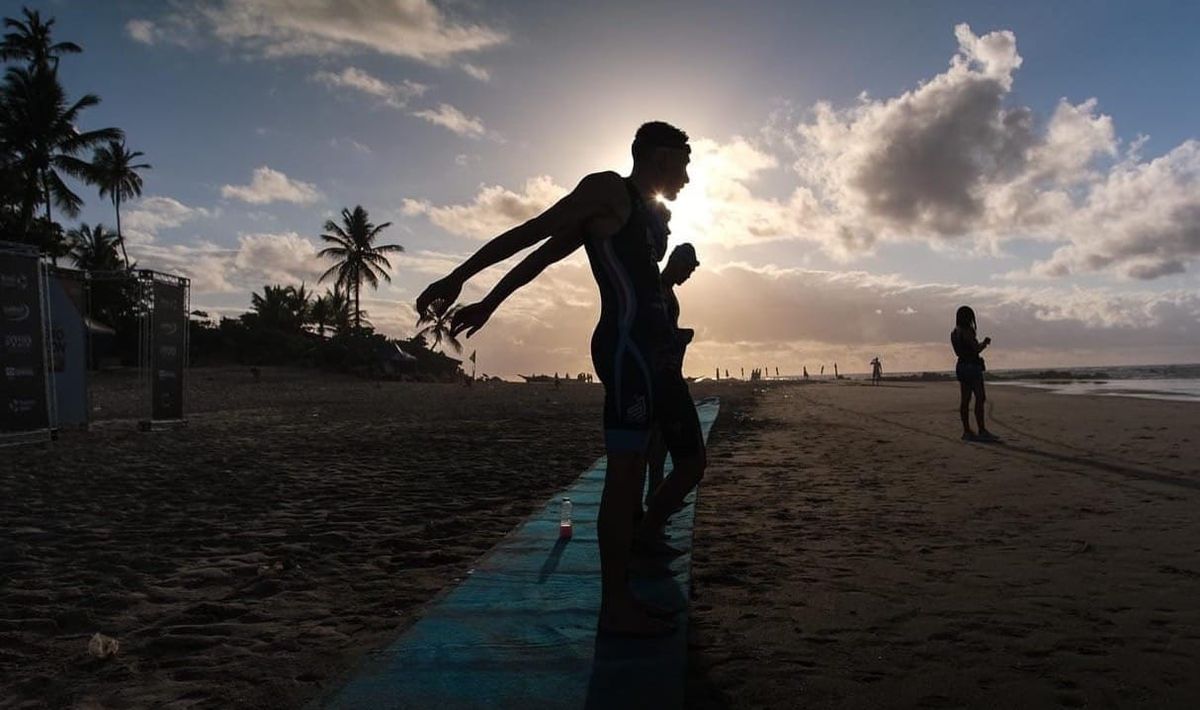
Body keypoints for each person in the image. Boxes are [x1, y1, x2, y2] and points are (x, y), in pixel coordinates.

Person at [415, 121, 704, 637]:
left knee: (654, 465)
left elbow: (542, 257)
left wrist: (489, 299)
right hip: (623, 350)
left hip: (650, 353)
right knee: (623, 475)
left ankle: (627, 581)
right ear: (661, 158)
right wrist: (462, 281)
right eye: (683, 163)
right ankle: (615, 605)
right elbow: (533, 237)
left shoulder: (643, 210)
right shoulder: (607, 190)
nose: (686, 175)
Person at [642, 243, 700, 515]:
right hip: (659, 379)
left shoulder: (667, 292)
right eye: (687, 269)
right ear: (675, 262)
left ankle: (659, 495)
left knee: (660, 446)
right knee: (657, 447)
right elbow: (654, 335)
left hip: (667, 375)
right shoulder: (656, 290)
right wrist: (679, 336)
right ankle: (655, 500)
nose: (688, 276)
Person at [952, 305, 996, 441]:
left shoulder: (954, 332)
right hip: (972, 366)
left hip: (961, 366)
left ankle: (967, 431)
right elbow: (975, 349)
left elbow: (959, 352)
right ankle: (981, 430)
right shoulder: (968, 331)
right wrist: (985, 343)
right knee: (980, 397)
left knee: (965, 400)